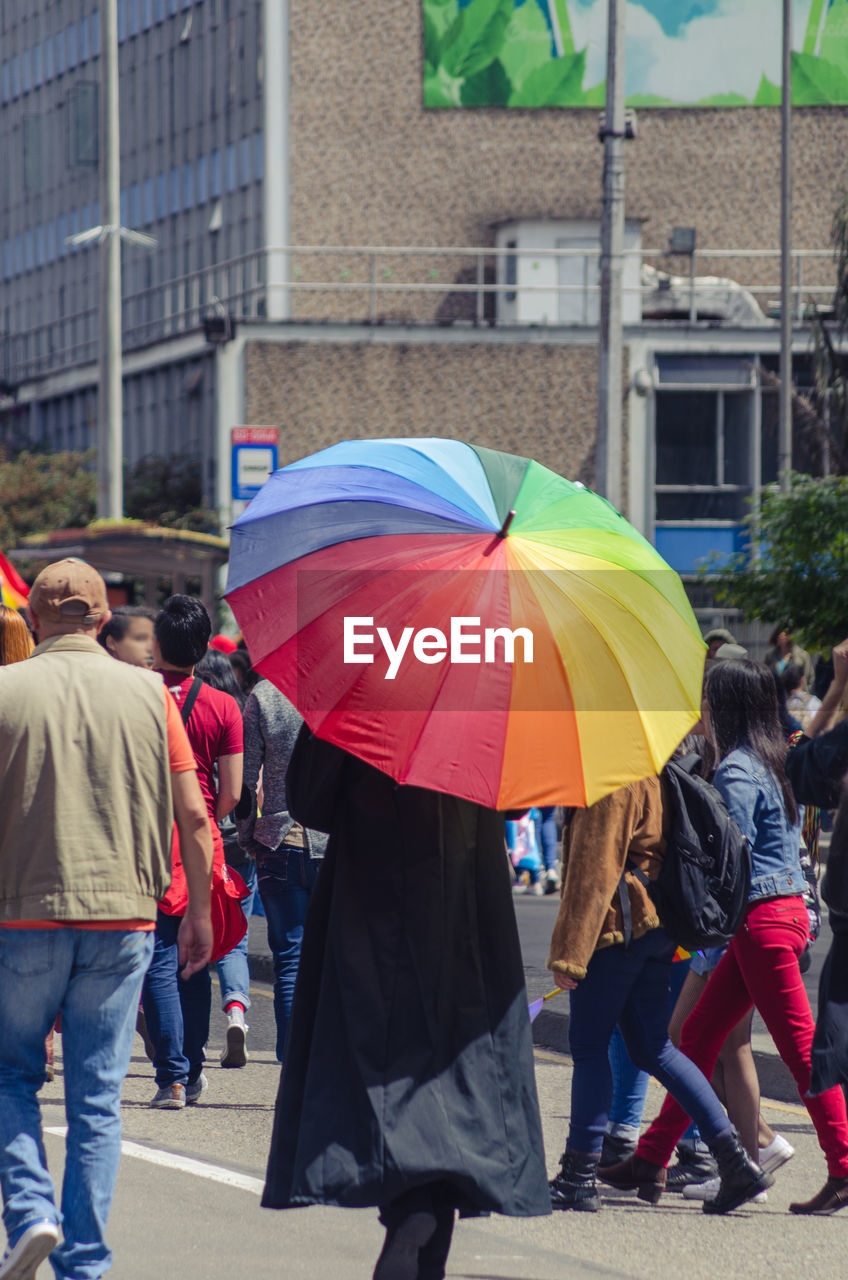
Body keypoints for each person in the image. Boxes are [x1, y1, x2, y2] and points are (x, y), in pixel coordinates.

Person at [262, 729, 550, 1280]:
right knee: (457, 1067)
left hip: (374, 895)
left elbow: (310, 799)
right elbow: (517, 795)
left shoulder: (366, 671)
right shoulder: (486, 676)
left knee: (383, 1064)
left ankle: (408, 1210)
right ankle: (425, 1213)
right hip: (467, 895)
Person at [0, 558, 212, 1280]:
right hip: (125, 914)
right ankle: (84, 1262)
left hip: (20, 914)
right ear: (102, 618)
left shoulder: (3, 690)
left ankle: (29, 1211)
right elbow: (193, 814)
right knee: (98, 1098)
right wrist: (202, 912)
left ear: (34, 617)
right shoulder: (152, 695)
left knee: (8, 1077)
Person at [609, 659, 848, 1215]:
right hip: (770, 921)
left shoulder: (737, 771)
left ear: (728, 707)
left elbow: (724, 861)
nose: (703, 712)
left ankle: (842, 1164)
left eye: (709, 701)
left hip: (760, 924)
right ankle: (651, 1157)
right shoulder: (775, 760)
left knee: (799, 1053)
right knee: (694, 1039)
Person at [547, 767, 769, 1215]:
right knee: (655, 1048)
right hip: (655, 928)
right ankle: (735, 1161)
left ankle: (578, 1174)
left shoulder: (610, 778)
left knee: (589, 1047)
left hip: (617, 930)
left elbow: (594, 870)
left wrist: (569, 953)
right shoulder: (652, 767)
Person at [142, 595, 244, 1108]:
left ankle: (172, 1076)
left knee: (158, 954)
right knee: (197, 956)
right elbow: (232, 791)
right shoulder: (224, 705)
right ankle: (194, 1065)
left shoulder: (137, 694)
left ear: (158, 642)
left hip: (145, 836)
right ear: (203, 648)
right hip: (202, 837)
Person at [235, 679, 327, 1065]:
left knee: (289, 959)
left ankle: (293, 1067)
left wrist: (246, 836)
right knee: (330, 960)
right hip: (332, 841)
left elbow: (244, 779)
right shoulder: (342, 687)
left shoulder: (265, 695)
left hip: (277, 839)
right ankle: (325, 1066)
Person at [195, 647, 256, 1067]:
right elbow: (242, 785)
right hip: (236, 835)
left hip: (199, 834)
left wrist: (208, 824)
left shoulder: (189, 708)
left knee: (193, 929)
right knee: (236, 934)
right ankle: (236, 1011)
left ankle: (188, 1039)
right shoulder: (237, 711)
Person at [765, 623, 815, 692]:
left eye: (785, 633)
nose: (781, 636)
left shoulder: (802, 655)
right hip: (776, 696)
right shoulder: (770, 655)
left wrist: (802, 691)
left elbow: (809, 678)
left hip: (796, 697)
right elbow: (765, 676)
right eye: (780, 633)